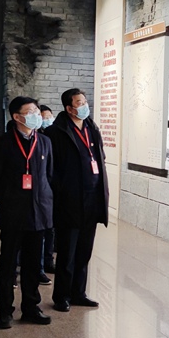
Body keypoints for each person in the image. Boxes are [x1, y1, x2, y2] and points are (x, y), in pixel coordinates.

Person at [0, 97, 54, 328]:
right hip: (13, 214)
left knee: (33, 264)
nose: (36, 115)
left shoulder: (44, 141)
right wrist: (8, 201)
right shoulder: (2, 143)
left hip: (39, 213)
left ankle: (31, 307)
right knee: (8, 264)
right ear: (16, 117)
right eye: (30, 111)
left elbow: (49, 175)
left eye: (37, 111)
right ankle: (5, 310)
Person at [46, 88, 108, 312]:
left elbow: (99, 157)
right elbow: (51, 170)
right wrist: (60, 192)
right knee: (67, 252)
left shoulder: (91, 127)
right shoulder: (56, 132)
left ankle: (78, 293)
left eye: (85, 102)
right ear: (69, 108)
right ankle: (61, 296)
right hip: (69, 201)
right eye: (79, 103)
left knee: (84, 251)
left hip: (92, 199)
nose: (84, 106)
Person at [38, 104, 56, 276]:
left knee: (50, 230)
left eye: (49, 116)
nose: (47, 120)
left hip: (48, 192)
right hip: (33, 194)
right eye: (44, 117)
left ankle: (48, 260)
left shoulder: (53, 138)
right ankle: (38, 266)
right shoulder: (37, 139)